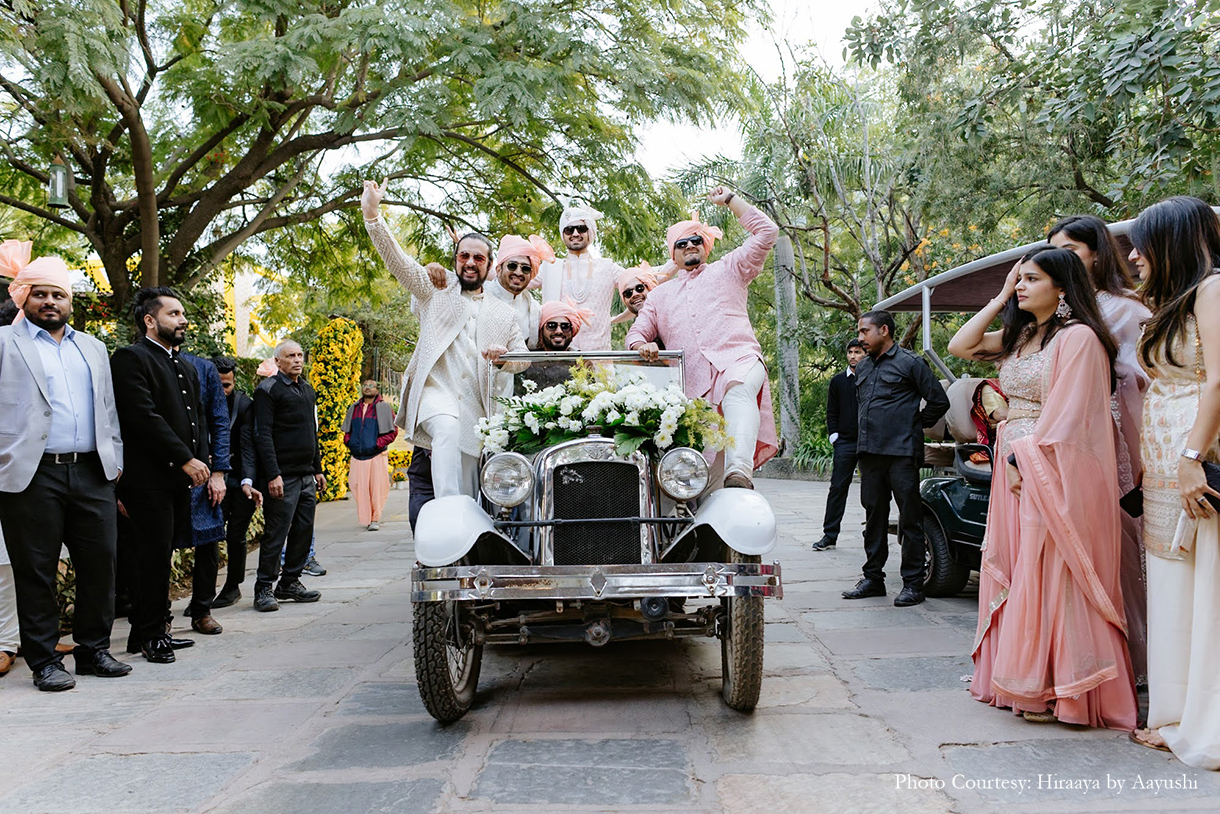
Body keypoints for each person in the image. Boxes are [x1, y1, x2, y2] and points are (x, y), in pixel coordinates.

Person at [948, 245, 1137, 730]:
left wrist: (1020, 459)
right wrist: (1001, 293)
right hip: (1016, 458)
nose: (1022, 286)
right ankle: (1020, 679)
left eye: (1031, 279)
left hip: (1047, 464)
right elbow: (960, 347)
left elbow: (1073, 413)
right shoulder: (1023, 334)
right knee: (1017, 566)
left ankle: (1062, 689)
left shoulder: (1077, 339)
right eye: (1020, 279)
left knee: (1049, 567)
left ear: (1062, 285)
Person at [0, 242, 130, 689]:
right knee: (36, 569)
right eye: (40, 294)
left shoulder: (92, 347)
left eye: (58, 295)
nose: (50, 302)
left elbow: (107, 409)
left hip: (93, 472)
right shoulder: (4, 342)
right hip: (31, 475)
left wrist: (114, 464)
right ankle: (44, 662)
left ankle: (94, 651)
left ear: (70, 302)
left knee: (101, 562)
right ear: (24, 297)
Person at [361, 179, 527, 500]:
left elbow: (521, 358)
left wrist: (505, 357)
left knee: (471, 489)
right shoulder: (434, 288)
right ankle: (446, 514)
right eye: (464, 255)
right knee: (447, 430)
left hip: (477, 410)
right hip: (434, 395)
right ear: (455, 258)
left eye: (478, 258)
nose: (469, 262)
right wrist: (372, 214)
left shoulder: (503, 313)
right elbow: (397, 260)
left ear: (490, 266)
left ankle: (464, 537)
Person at [1127, 197, 1220, 766]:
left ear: (1175, 242)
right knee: (1171, 587)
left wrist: (1190, 455)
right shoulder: (1176, 301)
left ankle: (1203, 721)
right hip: (1164, 468)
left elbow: (1218, 382)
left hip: (1196, 461)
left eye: (1143, 243)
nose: (1134, 255)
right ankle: (1174, 714)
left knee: (1204, 588)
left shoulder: (1214, 289)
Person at [1048, 214, 1152, 685]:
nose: (1064, 258)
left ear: (1096, 253)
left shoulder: (1126, 309)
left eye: (1072, 249)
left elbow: (1141, 378)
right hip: (1063, 438)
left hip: (1115, 435)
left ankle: (1139, 657)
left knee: (1125, 541)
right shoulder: (1058, 310)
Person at [627, 187, 780, 489]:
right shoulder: (659, 295)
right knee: (706, 481)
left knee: (737, 389)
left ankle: (741, 472)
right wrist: (640, 344)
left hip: (739, 358)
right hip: (695, 386)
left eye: (696, 240)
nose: (690, 246)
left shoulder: (731, 267)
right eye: (681, 244)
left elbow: (767, 232)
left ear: (705, 246)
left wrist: (731, 201)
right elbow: (636, 333)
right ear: (673, 254)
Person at [110, 287, 208, 664]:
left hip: (178, 480)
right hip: (146, 479)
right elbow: (142, 417)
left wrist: (201, 461)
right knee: (149, 557)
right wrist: (185, 458)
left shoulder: (183, 364)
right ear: (150, 320)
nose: (182, 320)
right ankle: (151, 635)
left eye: (182, 314)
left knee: (161, 555)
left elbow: (195, 418)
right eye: (173, 314)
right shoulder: (131, 359)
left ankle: (148, 631)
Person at [844, 310, 949, 606]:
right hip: (869, 454)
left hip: (901, 453)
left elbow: (939, 401)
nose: (861, 337)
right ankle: (873, 579)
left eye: (865, 331)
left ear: (884, 331)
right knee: (873, 517)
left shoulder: (910, 363)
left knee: (910, 520)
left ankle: (913, 584)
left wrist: (913, 425)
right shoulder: (863, 368)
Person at [251, 340, 325, 612]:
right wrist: (272, 474)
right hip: (282, 477)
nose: (297, 360)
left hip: (306, 475)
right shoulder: (268, 390)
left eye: (300, 354)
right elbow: (262, 434)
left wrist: (317, 468)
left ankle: (290, 583)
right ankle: (263, 589)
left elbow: (311, 432)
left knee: (303, 532)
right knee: (276, 533)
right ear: (278, 362)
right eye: (290, 356)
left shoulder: (306, 390)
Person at [180, 351, 230, 636]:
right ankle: (158, 617)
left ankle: (202, 611)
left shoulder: (203, 368)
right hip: (163, 470)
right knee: (159, 547)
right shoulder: (141, 361)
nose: (180, 321)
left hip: (204, 472)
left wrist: (219, 472)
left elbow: (219, 421)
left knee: (208, 542)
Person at [535, 203, 624, 351]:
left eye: (581, 229)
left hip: (600, 360)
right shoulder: (550, 267)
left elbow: (643, 278)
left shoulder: (607, 267)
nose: (575, 233)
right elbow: (510, 279)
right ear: (563, 234)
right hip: (561, 360)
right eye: (569, 229)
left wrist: (675, 257)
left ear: (590, 232)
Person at [211, 357, 261, 609]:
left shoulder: (244, 405)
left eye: (227, 385)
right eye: (218, 384)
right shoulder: (201, 402)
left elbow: (248, 446)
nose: (222, 390)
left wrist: (248, 480)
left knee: (235, 535)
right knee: (207, 538)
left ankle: (233, 587)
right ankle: (205, 592)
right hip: (209, 481)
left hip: (241, 480)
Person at [812, 339, 866, 551]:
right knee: (837, 488)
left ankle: (871, 531)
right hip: (844, 442)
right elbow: (831, 411)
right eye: (850, 352)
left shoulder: (872, 378)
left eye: (858, 352)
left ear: (865, 354)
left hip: (869, 442)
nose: (853, 356)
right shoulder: (837, 381)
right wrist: (834, 435)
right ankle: (829, 535)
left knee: (872, 490)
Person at [343, 380, 397, 531]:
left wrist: (377, 444)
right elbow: (347, 430)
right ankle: (366, 517)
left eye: (371, 386)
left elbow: (392, 432)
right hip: (357, 455)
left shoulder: (384, 407)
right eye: (365, 385)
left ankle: (375, 519)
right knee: (356, 485)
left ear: (377, 389)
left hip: (376, 455)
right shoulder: (355, 407)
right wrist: (349, 442)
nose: (367, 388)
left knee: (377, 488)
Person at [484, 237, 543, 349]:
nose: (518, 272)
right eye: (512, 266)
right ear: (498, 269)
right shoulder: (481, 295)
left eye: (525, 268)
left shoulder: (535, 309)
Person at [611, 262, 668, 327]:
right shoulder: (635, 333)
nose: (634, 294)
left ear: (650, 288)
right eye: (628, 293)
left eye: (639, 288)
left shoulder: (674, 318)